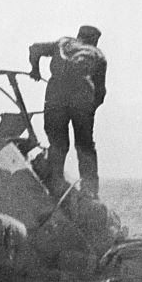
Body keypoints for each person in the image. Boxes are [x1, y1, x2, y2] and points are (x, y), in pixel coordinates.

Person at [28, 25, 107, 197]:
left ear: (78, 35)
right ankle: (90, 192)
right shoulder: (98, 55)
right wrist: (90, 110)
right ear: (95, 40)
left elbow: (34, 49)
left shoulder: (62, 43)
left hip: (56, 94)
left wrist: (35, 69)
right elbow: (101, 92)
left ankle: (54, 184)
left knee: (58, 144)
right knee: (85, 146)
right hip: (82, 97)